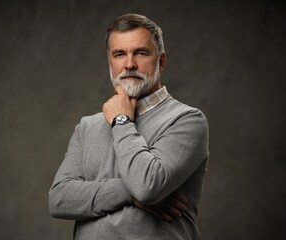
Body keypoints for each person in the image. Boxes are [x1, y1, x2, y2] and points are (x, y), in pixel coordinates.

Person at [49, 13, 209, 240]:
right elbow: (59, 199)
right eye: (119, 54)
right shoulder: (87, 126)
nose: (129, 64)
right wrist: (129, 195)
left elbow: (147, 186)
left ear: (161, 61)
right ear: (110, 63)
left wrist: (121, 121)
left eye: (141, 53)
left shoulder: (187, 120)